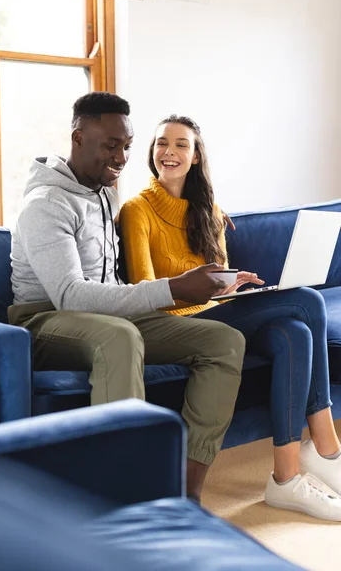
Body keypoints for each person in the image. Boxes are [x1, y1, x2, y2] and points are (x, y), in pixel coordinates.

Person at [8, 92, 246, 504]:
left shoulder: (103, 192)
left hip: (104, 314)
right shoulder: (45, 204)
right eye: (111, 145)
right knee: (118, 338)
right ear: (78, 138)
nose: (122, 157)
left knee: (224, 342)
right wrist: (174, 288)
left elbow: (109, 288)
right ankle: (130, 497)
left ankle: (185, 492)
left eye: (128, 146)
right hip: (43, 321)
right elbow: (69, 296)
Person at [120, 114, 341, 521]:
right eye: (161, 143)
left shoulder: (210, 210)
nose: (169, 151)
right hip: (173, 322)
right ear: (152, 154)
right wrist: (199, 288)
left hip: (218, 312)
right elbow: (143, 291)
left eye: (181, 144)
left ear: (196, 156)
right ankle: (326, 447)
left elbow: (215, 280)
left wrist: (230, 284)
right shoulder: (136, 211)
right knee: (307, 302)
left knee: (294, 333)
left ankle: (286, 478)